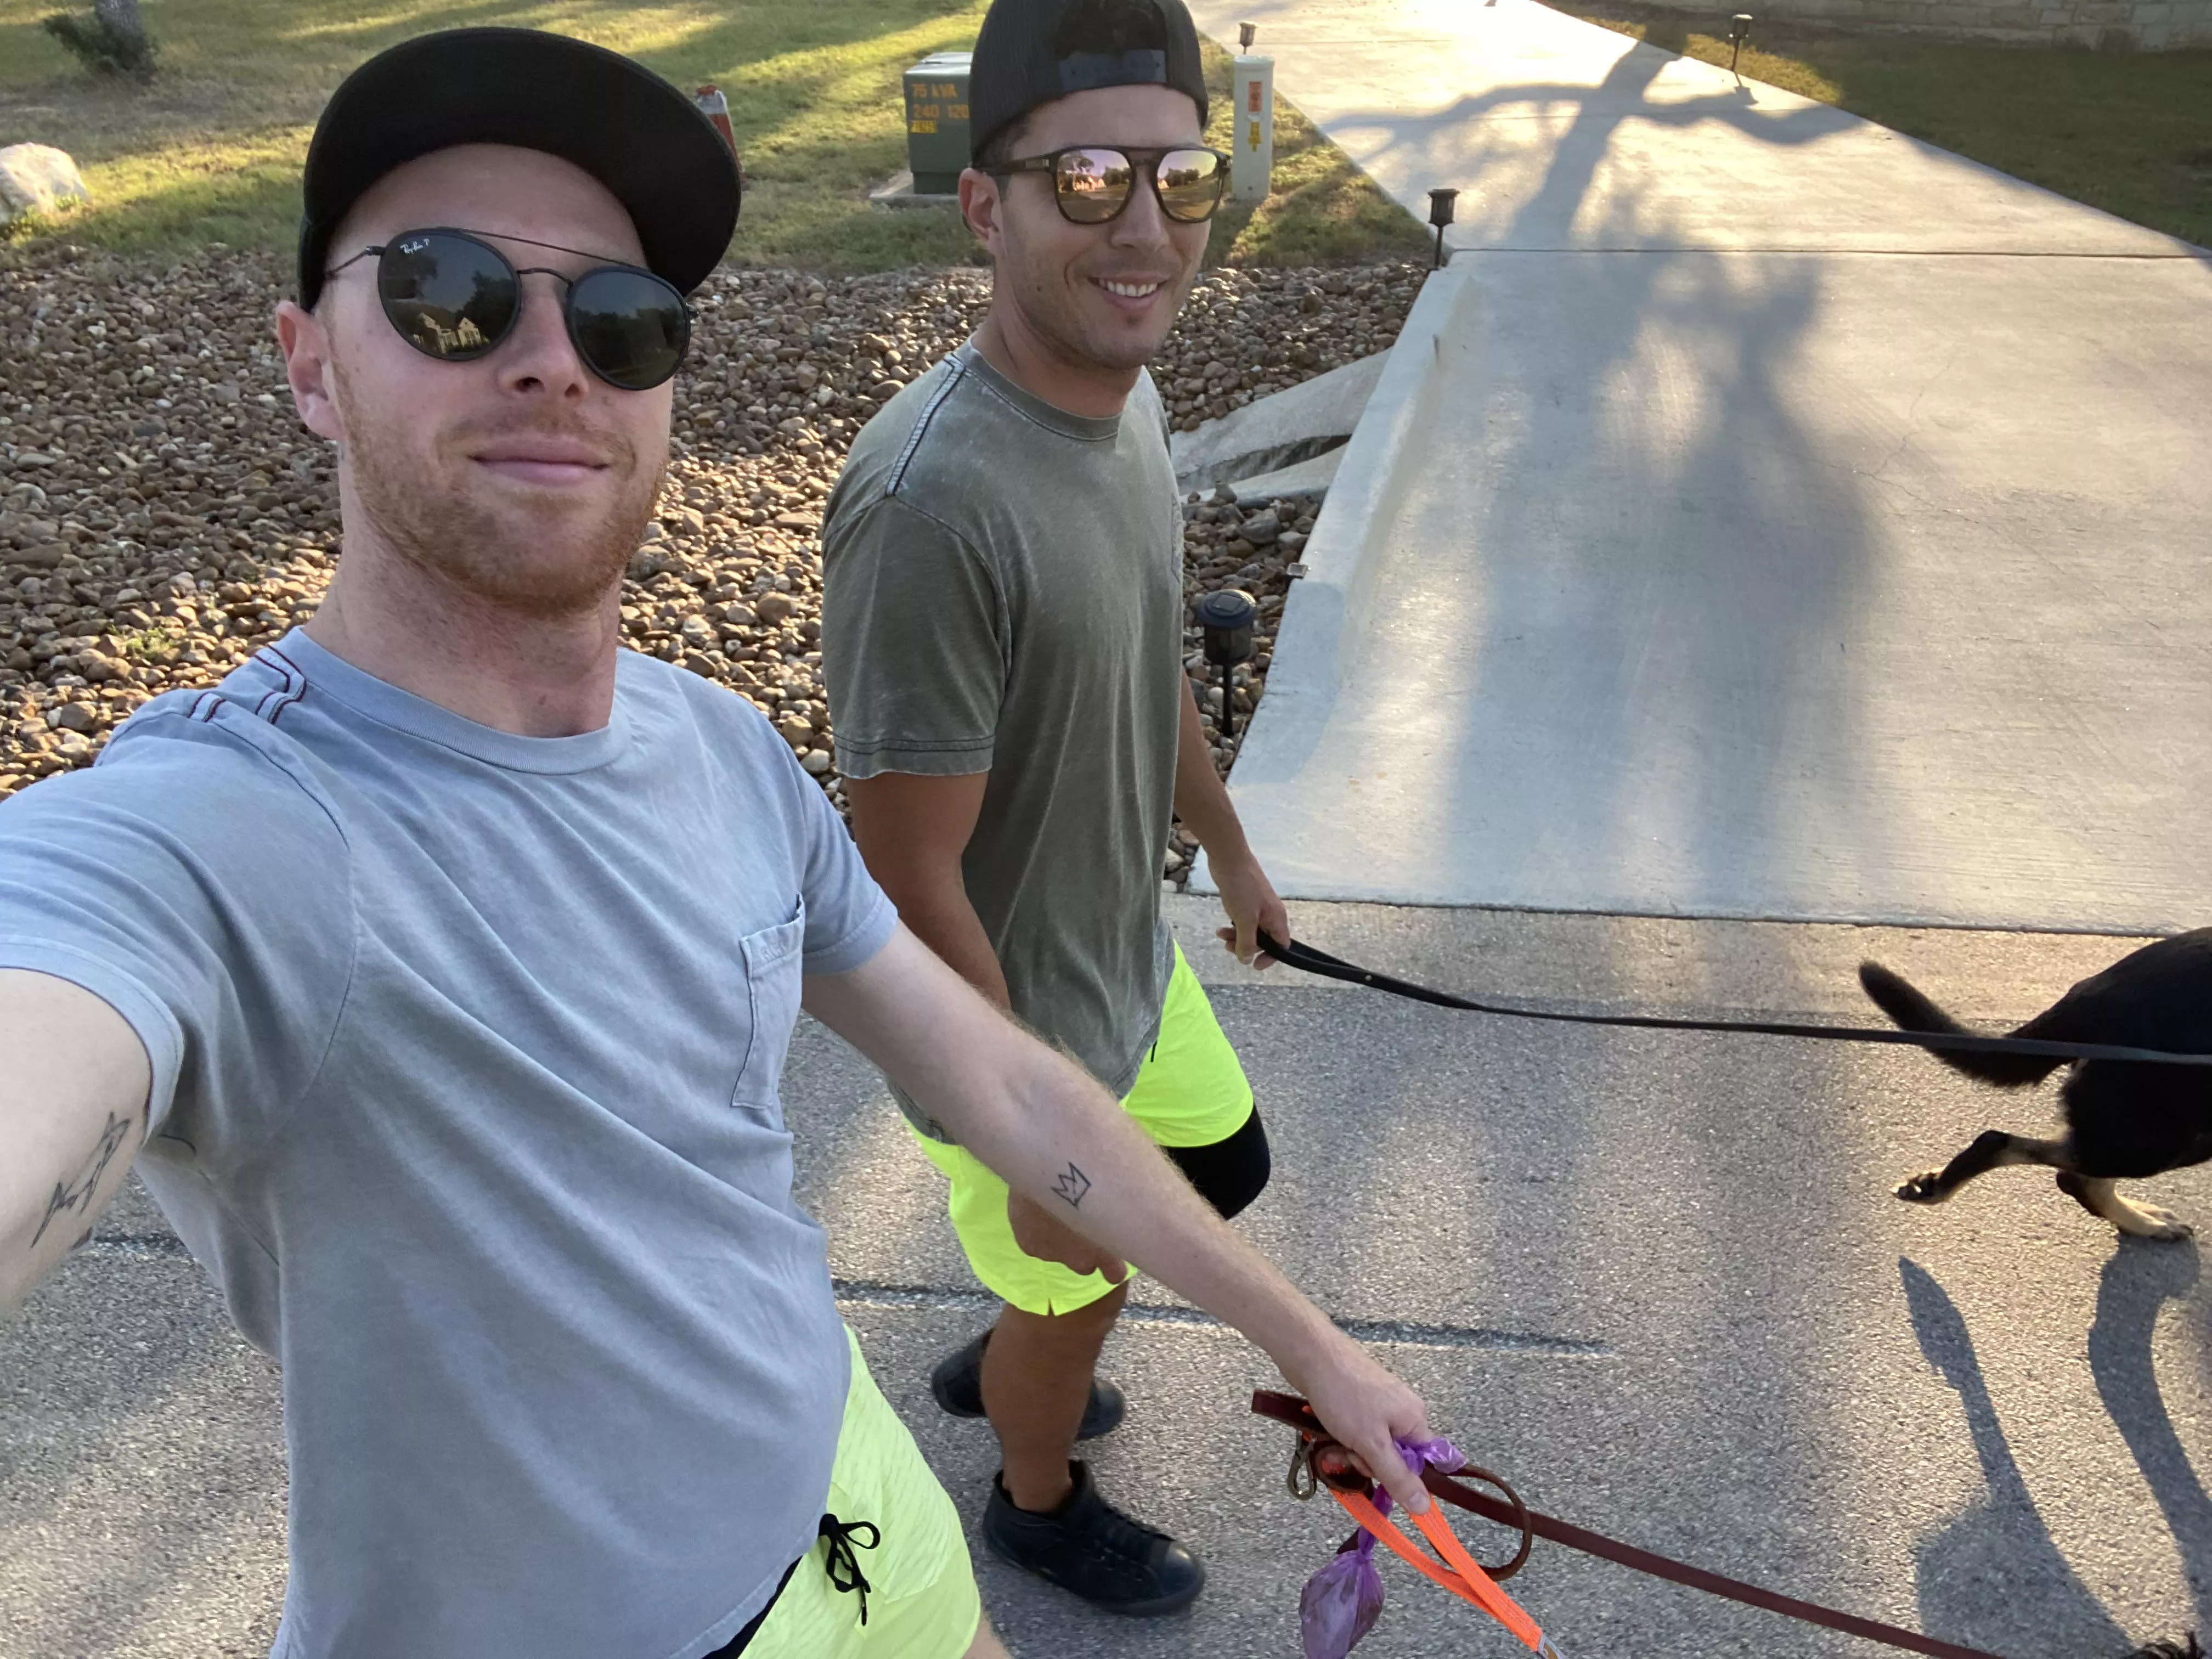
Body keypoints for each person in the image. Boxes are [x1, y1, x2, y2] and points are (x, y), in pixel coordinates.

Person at [0, 25, 1440, 1659]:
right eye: (445, 291)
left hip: (847, 1491)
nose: (550, 359)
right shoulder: (221, 836)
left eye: (619, 317)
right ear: (310, 362)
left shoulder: (723, 753)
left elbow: (1007, 1080)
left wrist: (1313, 1345)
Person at [820, 0, 1296, 1617]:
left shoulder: (1131, 394)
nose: (1145, 224)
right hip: (1011, 1025)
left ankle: (1019, 1344)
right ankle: (1033, 1491)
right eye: (1087, 180)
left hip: (1123, 964)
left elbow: (1147, 655)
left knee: (1218, 1170)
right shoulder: (933, 503)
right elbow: (898, 875)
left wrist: (1227, 848)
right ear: (987, 205)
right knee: (1076, 1293)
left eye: (1181, 176)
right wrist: (1022, 1139)